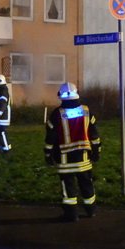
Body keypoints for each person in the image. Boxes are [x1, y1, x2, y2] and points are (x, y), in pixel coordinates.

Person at [44, 82, 101, 222]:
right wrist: (97, 151)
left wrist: (47, 154)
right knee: (87, 183)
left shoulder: (56, 114)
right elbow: (94, 135)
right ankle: (91, 210)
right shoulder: (87, 111)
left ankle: (71, 214)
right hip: (84, 158)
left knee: (68, 187)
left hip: (65, 160)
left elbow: (50, 138)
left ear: (60, 96)